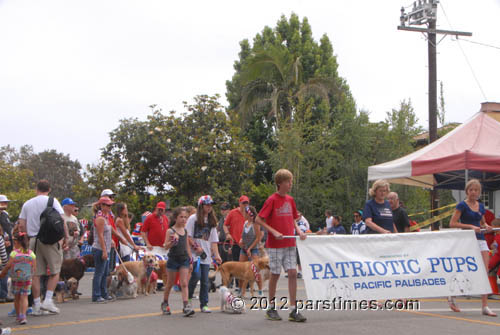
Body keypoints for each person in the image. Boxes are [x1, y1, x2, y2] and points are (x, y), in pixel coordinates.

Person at [255, 169, 307, 322]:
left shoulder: (290, 200)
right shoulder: (272, 200)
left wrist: (299, 231)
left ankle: (293, 309)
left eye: (290, 181)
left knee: (292, 273)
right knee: (275, 274)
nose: (290, 184)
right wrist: (274, 231)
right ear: (280, 183)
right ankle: (271, 307)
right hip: (275, 245)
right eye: (288, 181)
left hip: (289, 242)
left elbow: (293, 218)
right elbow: (259, 219)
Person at [18, 180, 67, 315]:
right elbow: (61, 221)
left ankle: (37, 305)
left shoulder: (28, 204)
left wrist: (26, 239)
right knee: (55, 271)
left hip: (33, 240)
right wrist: (65, 237)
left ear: (36, 189)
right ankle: (48, 300)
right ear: (49, 189)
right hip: (51, 241)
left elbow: (21, 225)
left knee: (36, 274)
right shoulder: (53, 201)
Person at [448, 179, 496, 317]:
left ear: (479, 192)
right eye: (471, 190)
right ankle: (452, 296)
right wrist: (470, 227)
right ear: (467, 191)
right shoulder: (462, 205)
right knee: (462, 270)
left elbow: (481, 221)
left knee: (485, 271)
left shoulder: (480, 206)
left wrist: (486, 225)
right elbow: (453, 223)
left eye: (476, 190)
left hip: (480, 240)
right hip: (466, 240)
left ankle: (485, 305)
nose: (474, 192)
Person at [187, 195, 222, 313]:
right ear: (201, 206)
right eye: (207, 204)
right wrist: (195, 247)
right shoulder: (193, 219)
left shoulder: (212, 221)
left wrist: (217, 255)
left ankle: (204, 304)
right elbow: (188, 236)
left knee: (205, 280)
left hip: (206, 255)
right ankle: (188, 299)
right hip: (194, 254)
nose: (209, 207)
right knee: (195, 275)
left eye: (210, 205)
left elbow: (214, 241)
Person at [161, 207, 194, 317]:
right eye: (181, 217)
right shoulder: (170, 231)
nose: (184, 219)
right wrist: (172, 242)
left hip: (183, 259)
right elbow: (165, 246)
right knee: (170, 283)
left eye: (185, 217)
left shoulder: (185, 231)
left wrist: (190, 260)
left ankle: (186, 305)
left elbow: (187, 246)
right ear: (176, 218)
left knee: (184, 283)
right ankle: (165, 303)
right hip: (173, 259)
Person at [0, 226, 34, 325]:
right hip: (27, 279)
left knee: (17, 298)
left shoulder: (14, 253)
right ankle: (23, 316)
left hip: (16, 279)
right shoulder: (31, 254)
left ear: (17, 242)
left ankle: (18, 315)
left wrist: (3, 274)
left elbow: (8, 265)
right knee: (24, 297)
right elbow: (34, 267)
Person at [91, 197, 115, 303]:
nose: (110, 207)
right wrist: (104, 251)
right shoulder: (100, 218)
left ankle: (104, 293)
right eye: (108, 205)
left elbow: (110, 232)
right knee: (99, 272)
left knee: (105, 273)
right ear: (102, 206)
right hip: (100, 248)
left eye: (110, 205)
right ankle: (96, 295)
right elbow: (100, 236)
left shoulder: (106, 217)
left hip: (106, 248)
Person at [239, 206, 263, 294]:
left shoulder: (255, 223)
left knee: (255, 269)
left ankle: (260, 289)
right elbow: (243, 235)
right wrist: (241, 240)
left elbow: (258, 238)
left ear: (248, 214)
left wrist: (250, 248)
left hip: (253, 249)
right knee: (241, 269)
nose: (243, 214)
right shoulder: (245, 223)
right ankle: (241, 289)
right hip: (244, 248)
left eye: (245, 213)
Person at [224, 196, 250, 264]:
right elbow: (225, 225)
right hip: (235, 243)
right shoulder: (232, 212)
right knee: (237, 265)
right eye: (243, 203)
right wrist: (227, 234)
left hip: (247, 244)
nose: (245, 205)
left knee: (247, 266)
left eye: (246, 203)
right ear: (239, 203)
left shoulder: (250, 213)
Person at [0, 195, 13, 303]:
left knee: (5, 270)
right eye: (3, 202)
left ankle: (3, 294)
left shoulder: (5, 215)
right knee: (4, 270)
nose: (5, 205)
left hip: (7, 248)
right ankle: (3, 294)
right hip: (2, 246)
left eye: (6, 202)